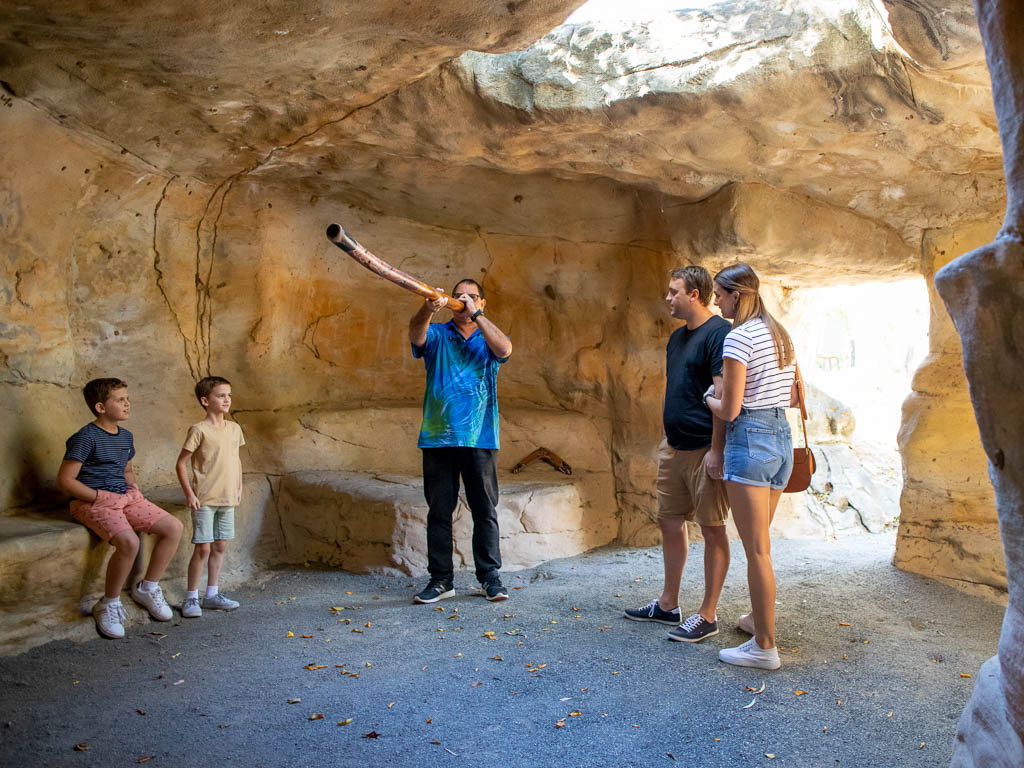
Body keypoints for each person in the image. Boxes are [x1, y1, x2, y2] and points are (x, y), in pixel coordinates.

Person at [624, 266, 732, 643]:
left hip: (706, 449)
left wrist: (717, 451)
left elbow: (722, 397)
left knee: (713, 530)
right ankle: (668, 604)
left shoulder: (719, 334)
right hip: (674, 446)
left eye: (674, 292)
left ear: (695, 295)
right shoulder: (676, 338)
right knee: (669, 522)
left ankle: (708, 614)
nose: (668, 298)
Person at [704, 263, 797, 671]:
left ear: (737, 295)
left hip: (750, 439)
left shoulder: (738, 338)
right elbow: (795, 396)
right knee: (762, 545)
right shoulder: (780, 335)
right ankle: (758, 620)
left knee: (756, 550)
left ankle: (765, 646)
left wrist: (710, 395)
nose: (716, 303)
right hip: (780, 439)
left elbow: (731, 407)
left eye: (719, 296)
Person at [408, 279, 512, 604]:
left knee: (485, 508)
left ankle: (490, 578)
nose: (463, 299)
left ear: (482, 301)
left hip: (480, 436)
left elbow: (505, 349)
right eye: (459, 296)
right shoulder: (438, 333)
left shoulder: (488, 334)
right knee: (439, 510)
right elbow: (416, 335)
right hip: (439, 437)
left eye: (471, 295)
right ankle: (441, 580)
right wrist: (428, 307)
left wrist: (477, 315)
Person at [56, 378, 184, 639]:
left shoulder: (126, 436)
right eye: (120, 400)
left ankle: (148, 587)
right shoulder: (85, 437)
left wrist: (133, 489)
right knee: (128, 542)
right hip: (91, 501)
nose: (128, 403)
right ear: (101, 407)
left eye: (127, 398)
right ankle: (109, 603)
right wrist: (99, 497)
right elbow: (66, 481)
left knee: (173, 527)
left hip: (126, 497)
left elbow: (126, 470)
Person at [175, 376, 246, 618]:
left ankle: (212, 594)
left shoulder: (234, 429)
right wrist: (189, 494)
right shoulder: (199, 430)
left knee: (220, 545)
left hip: (227, 499)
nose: (227, 399)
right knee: (203, 549)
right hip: (205, 498)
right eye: (220, 395)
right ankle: (191, 597)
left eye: (229, 395)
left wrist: (238, 487)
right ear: (205, 401)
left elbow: (236, 459)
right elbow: (181, 463)